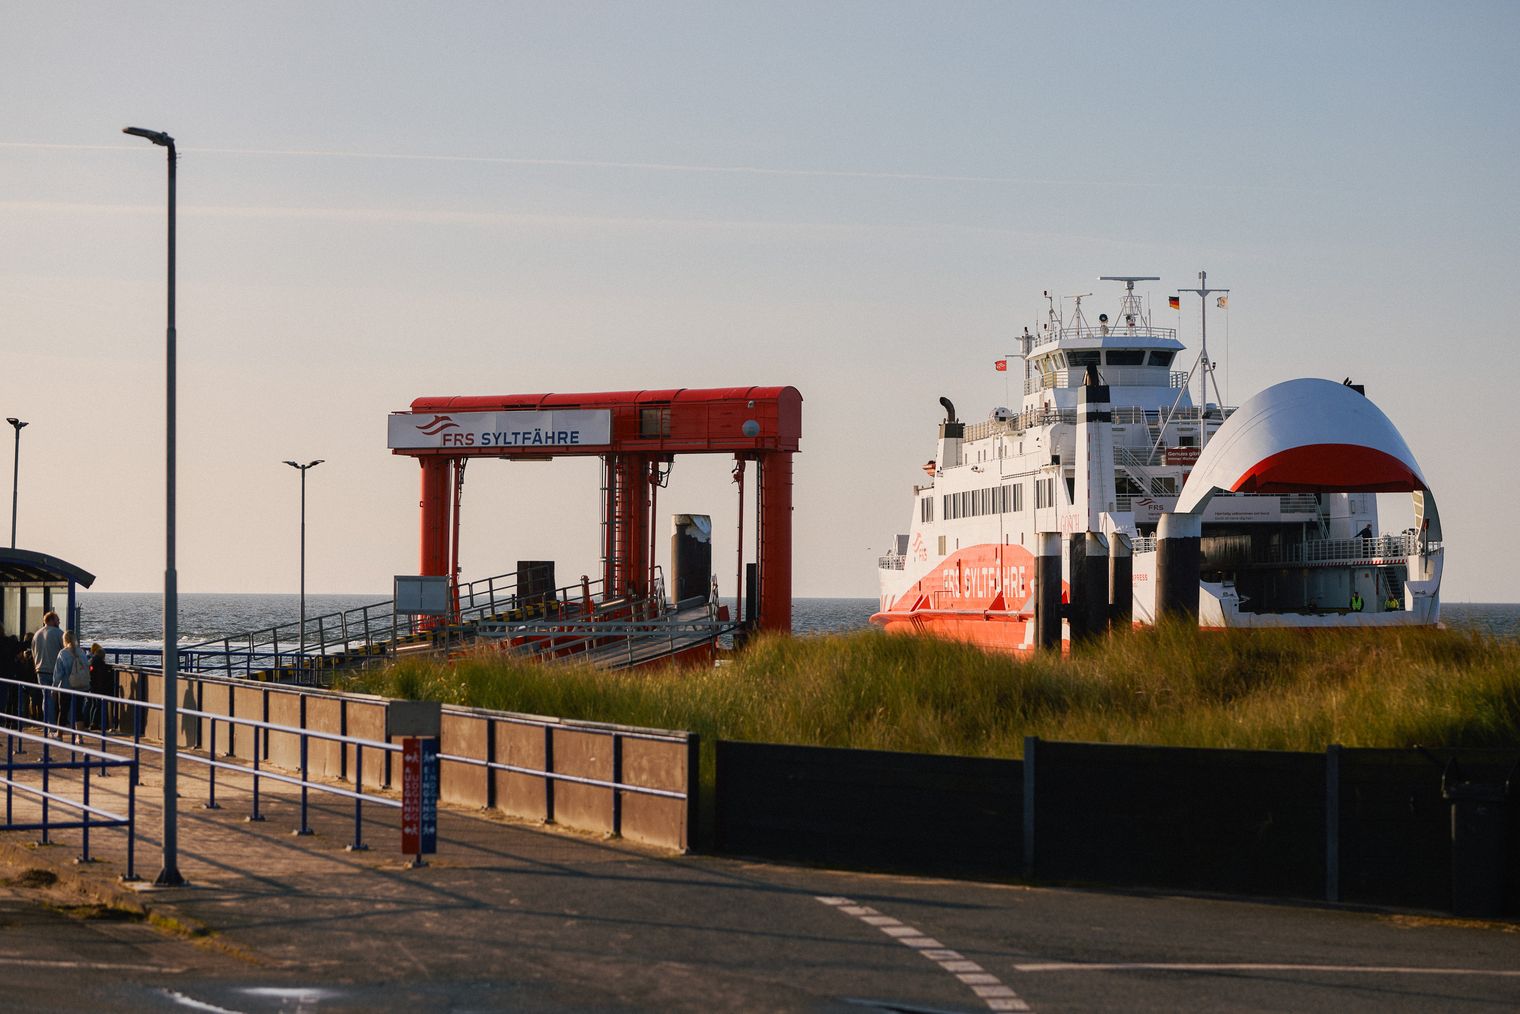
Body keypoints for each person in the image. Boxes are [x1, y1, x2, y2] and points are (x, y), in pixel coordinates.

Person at [52, 631, 89, 732]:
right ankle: (79, 736)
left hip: (65, 686)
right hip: (80, 686)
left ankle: (60, 735)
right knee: (78, 711)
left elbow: (58, 673)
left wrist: (54, 688)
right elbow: (86, 667)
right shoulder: (81, 652)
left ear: (64, 640)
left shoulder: (63, 653)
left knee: (63, 711)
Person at [32, 612, 64, 730]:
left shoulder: (37, 634)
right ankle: (65, 724)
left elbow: (33, 652)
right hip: (55, 671)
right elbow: (66, 651)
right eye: (57, 619)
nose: (59, 622)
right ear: (51, 620)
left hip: (40, 670)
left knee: (46, 699)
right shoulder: (59, 633)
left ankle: (49, 724)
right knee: (63, 698)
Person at [88, 642, 113, 731]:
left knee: (94, 704)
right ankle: (94, 723)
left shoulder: (91, 660)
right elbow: (101, 675)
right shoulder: (99, 663)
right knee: (98, 705)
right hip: (97, 687)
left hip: (92, 685)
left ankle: (91, 722)